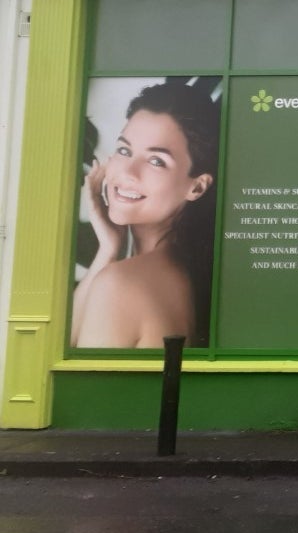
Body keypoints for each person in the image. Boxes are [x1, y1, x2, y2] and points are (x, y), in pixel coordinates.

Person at [71, 81, 220, 349]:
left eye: (156, 161)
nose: (128, 172)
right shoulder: (176, 271)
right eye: (125, 150)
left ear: (197, 186)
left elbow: (76, 382)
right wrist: (108, 249)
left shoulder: (120, 284)